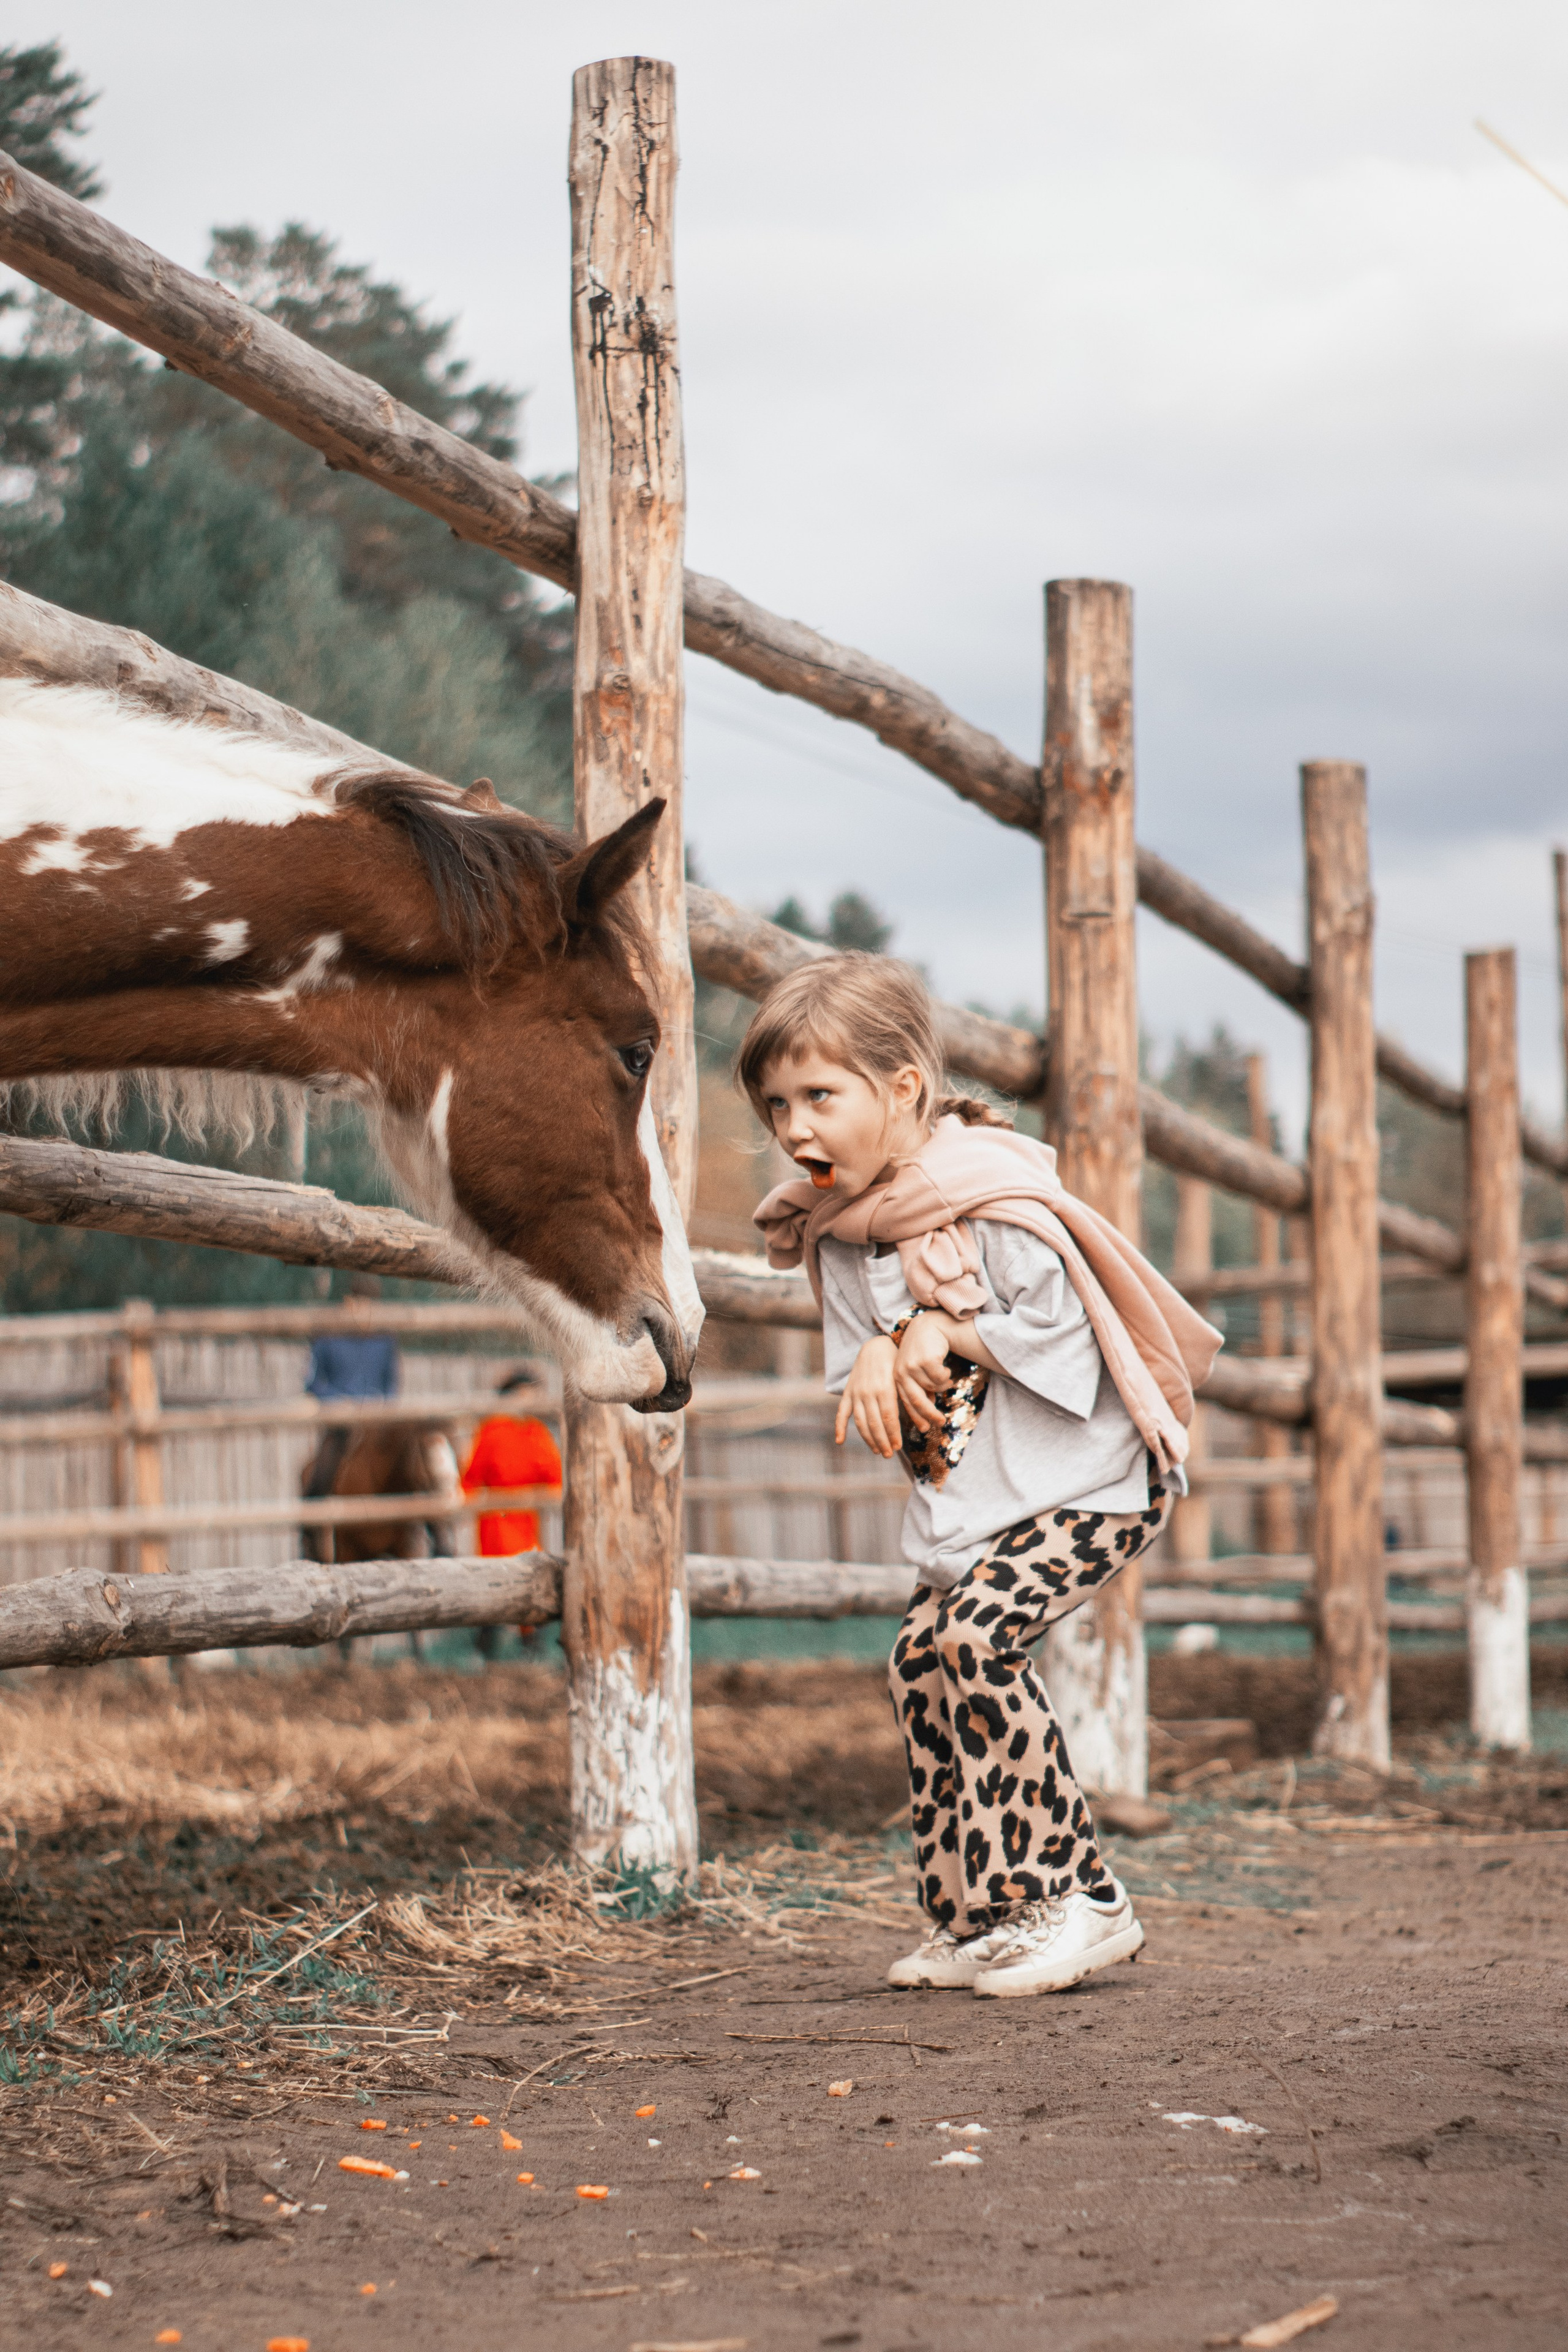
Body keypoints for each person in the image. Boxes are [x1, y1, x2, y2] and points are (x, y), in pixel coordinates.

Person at [741, 954, 1222, 2000]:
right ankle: (977, 1916)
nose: (794, 1127)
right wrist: (887, 1351)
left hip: (1095, 1481)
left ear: (903, 1088)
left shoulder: (994, 1202)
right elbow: (872, 1384)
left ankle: (1077, 1895)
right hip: (990, 1499)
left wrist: (941, 1328)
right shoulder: (838, 1237)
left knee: (975, 1638)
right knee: (919, 1662)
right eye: (777, 1104)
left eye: (819, 1096)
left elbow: (1069, 1341)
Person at [461, 1374, 563, 1657]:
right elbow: (471, 1479)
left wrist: (545, 1495)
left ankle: (530, 1643)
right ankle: (487, 1644)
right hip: (496, 1518)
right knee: (494, 1576)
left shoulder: (536, 1432)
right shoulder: (493, 1431)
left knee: (531, 1574)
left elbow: (554, 1475)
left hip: (526, 1518)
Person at [300, 1275, 400, 1548]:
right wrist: (338, 1401)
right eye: (361, 1305)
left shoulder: (385, 1340)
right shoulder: (327, 1337)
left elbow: (391, 1384)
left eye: (371, 1306)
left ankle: (435, 1531)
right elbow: (313, 1383)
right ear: (348, 1303)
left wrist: (383, 1405)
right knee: (322, 1471)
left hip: (377, 1420)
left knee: (414, 1461)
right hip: (341, 1421)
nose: (366, 1313)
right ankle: (312, 1533)